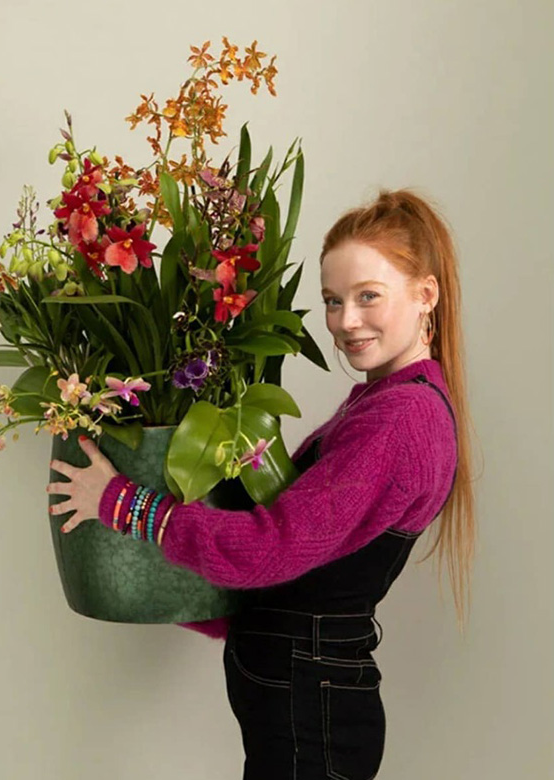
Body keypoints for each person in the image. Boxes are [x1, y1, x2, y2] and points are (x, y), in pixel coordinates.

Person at [47, 188, 476, 780]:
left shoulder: (401, 419)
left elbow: (272, 549)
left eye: (367, 297)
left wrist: (123, 503)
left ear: (425, 295)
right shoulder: (388, 404)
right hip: (308, 705)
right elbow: (310, 574)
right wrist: (174, 590)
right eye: (332, 300)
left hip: (311, 719)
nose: (345, 321)